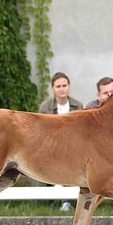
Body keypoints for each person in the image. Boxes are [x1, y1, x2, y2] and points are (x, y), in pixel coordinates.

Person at [39, 72, 83, 210]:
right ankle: (64, 199)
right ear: (53, 88)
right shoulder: (45, 107)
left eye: (64, 85)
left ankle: (66, 200)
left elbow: (81, 131)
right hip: (51, 146)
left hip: (74, 145)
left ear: (69, 87)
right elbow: (42, 131)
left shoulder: (78, 105)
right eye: (58, 86)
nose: (62, 89)